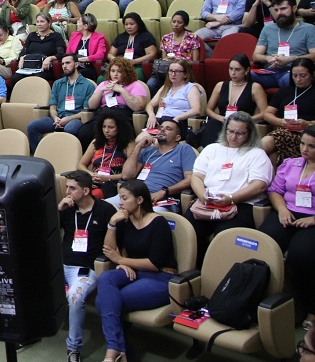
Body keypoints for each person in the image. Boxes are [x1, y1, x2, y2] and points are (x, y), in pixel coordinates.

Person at [97, 180, 178, 362]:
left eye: (125, 198)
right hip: (135, 272)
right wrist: (111, 224)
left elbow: (154, 263)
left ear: (140, 199)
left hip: (161, 277)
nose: (120, 202)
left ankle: (116, 351)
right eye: (120, 198)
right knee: (106, 278)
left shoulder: (158, 223)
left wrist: (121, 260)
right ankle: (119, 352)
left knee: (105, 302)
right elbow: (109, 251)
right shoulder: (125, 222)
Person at [185, 111, 272, 266]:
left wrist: (231, 198)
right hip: (208, 202)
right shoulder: (212, 149)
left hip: (240, 204)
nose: (233, 137)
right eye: (230, 131)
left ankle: (218, 273)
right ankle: (192, 271)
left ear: (249, 134)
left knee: (225, 238)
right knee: (187, 231)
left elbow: (259, 185)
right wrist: (202, 195)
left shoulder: (257, 154)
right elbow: (196, 177)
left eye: (240, 133)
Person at [259, 125, 315, 331]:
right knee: (263, 244)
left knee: (301, 256)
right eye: (302, 144)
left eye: (311, 146)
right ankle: (261, 298)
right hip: (287, 212)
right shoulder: (291, 164)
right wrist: (281, 209)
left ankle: (311, 309)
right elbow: (275, 190)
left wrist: (313, 219)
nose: (305, 149)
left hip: (312, 219)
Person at [58, 170, 118, 362]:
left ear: (85, 190)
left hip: (86, 269)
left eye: (72, 188)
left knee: (75, 298)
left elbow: (116, 242)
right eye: (66, 187)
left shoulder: (105, 210)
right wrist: (58, 210)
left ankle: (73, 348)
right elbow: (45, 233)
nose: (67, 192)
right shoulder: (66, 208)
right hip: (61, 264)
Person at [119, 119, 195, 212]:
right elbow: (126, 175)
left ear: (177, 138)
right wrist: (138, 147)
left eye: (168, 129)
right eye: (161, 128)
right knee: (107, 207)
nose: (162, 130)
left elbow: (190, 179)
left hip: (163, 199)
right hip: (134, 194)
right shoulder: (148, 150)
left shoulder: (183, 149)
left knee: (153, 216)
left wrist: (164, 192)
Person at [27, 53, 95, 153]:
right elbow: (53, 106)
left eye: (68, 63)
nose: (64, 66)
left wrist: (68, 119)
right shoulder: (58, 83)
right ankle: (41, 155)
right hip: (57, 118)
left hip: (75, 118)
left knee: (70, 128)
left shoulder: (88, 85)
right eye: (63, 64)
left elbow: (86, 112)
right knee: (32, 126)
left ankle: (68, 156)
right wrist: (55, 118)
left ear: (76, 65)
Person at [77, 57, 150, 150]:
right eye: (113, 71)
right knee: (84, 132)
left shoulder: (135, 84)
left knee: (118, 132)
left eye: (119, 71)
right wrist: (102, 91)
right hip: (102, 114)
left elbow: (138, 107)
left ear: (127, 72)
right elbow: (91, 105)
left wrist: (121, 90)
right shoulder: (104, 84)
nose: (115, 74)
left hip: (122, 114)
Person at [199, 53, 268, 148]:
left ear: (247, 70)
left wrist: (247, 120)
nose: (233, 73)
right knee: (212, 125)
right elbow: (208, 110)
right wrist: (219, 117)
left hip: (242, 123)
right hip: (222, 121)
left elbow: (265, 113)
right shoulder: (220, 85)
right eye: (231, 69)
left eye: (237, 69)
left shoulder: (255, 87)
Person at [252, 0, 315, 89]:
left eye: (283, 9)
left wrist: (291, 59)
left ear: (294, 9)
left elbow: (314, 55)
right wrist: (268, 59)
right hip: (270, 71)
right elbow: (256, 55)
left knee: (291, 79)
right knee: (245, 74)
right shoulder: (268, 29)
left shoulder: (308, 29)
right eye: (276, 10)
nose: (279, 13)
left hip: (293, 71)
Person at [262, 58, 315, 163]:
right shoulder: (285, 91)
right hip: (284, 131)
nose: (298, 79)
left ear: (312, 74)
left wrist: (308, 124)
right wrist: (280, 122)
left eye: (303, 76)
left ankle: (244, 159)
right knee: (272, 156)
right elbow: (267, 114)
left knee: (270, 141)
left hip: (307, 136)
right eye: (295, 76)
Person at [79, 111, 136, 200]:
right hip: (94, 180)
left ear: (119, 128)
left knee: (89, 197)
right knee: (76, 193)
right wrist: (92, 174)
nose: (106, 130)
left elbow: (129, 174)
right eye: (104, 127)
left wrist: (108, 178)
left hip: (113, 183)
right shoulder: (96, 142)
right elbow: (81, 165)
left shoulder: (128, 144)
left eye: (111, 127)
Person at [142, 59, 202, 137]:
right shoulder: (166, 87)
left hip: (178, 122)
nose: (173, 74)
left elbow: (196, 110)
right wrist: (151, 115)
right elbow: (150, 105)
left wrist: (178, 118)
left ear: (185, 74)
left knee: (156, 142)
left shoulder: (191, 88)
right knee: (140, 139)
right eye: (171, 71)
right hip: (160, 121)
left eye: (177, 71)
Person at [12, 12, 65, 85]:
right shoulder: (31, 36)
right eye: (37, 22)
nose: (39, 24)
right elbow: (24, 51)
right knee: (15, 78)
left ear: (49, 23)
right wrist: (21, 58)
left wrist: (49, 58)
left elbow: (61, 53)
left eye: (42, 21)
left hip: (45, 68)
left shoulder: (56, 36)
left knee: (36, 79)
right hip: (29, 66)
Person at [106, 13, 157, 79]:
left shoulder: (146, 36)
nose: (128, 27)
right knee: (102, 78)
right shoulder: (120, 37)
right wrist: (117, 61)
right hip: (119, 66)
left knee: (136, 76)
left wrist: (134, 61)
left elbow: (152, 54)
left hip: (137, 65)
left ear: (138, 24)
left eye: (132, 24)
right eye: (126, 24)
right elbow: (110, 54)